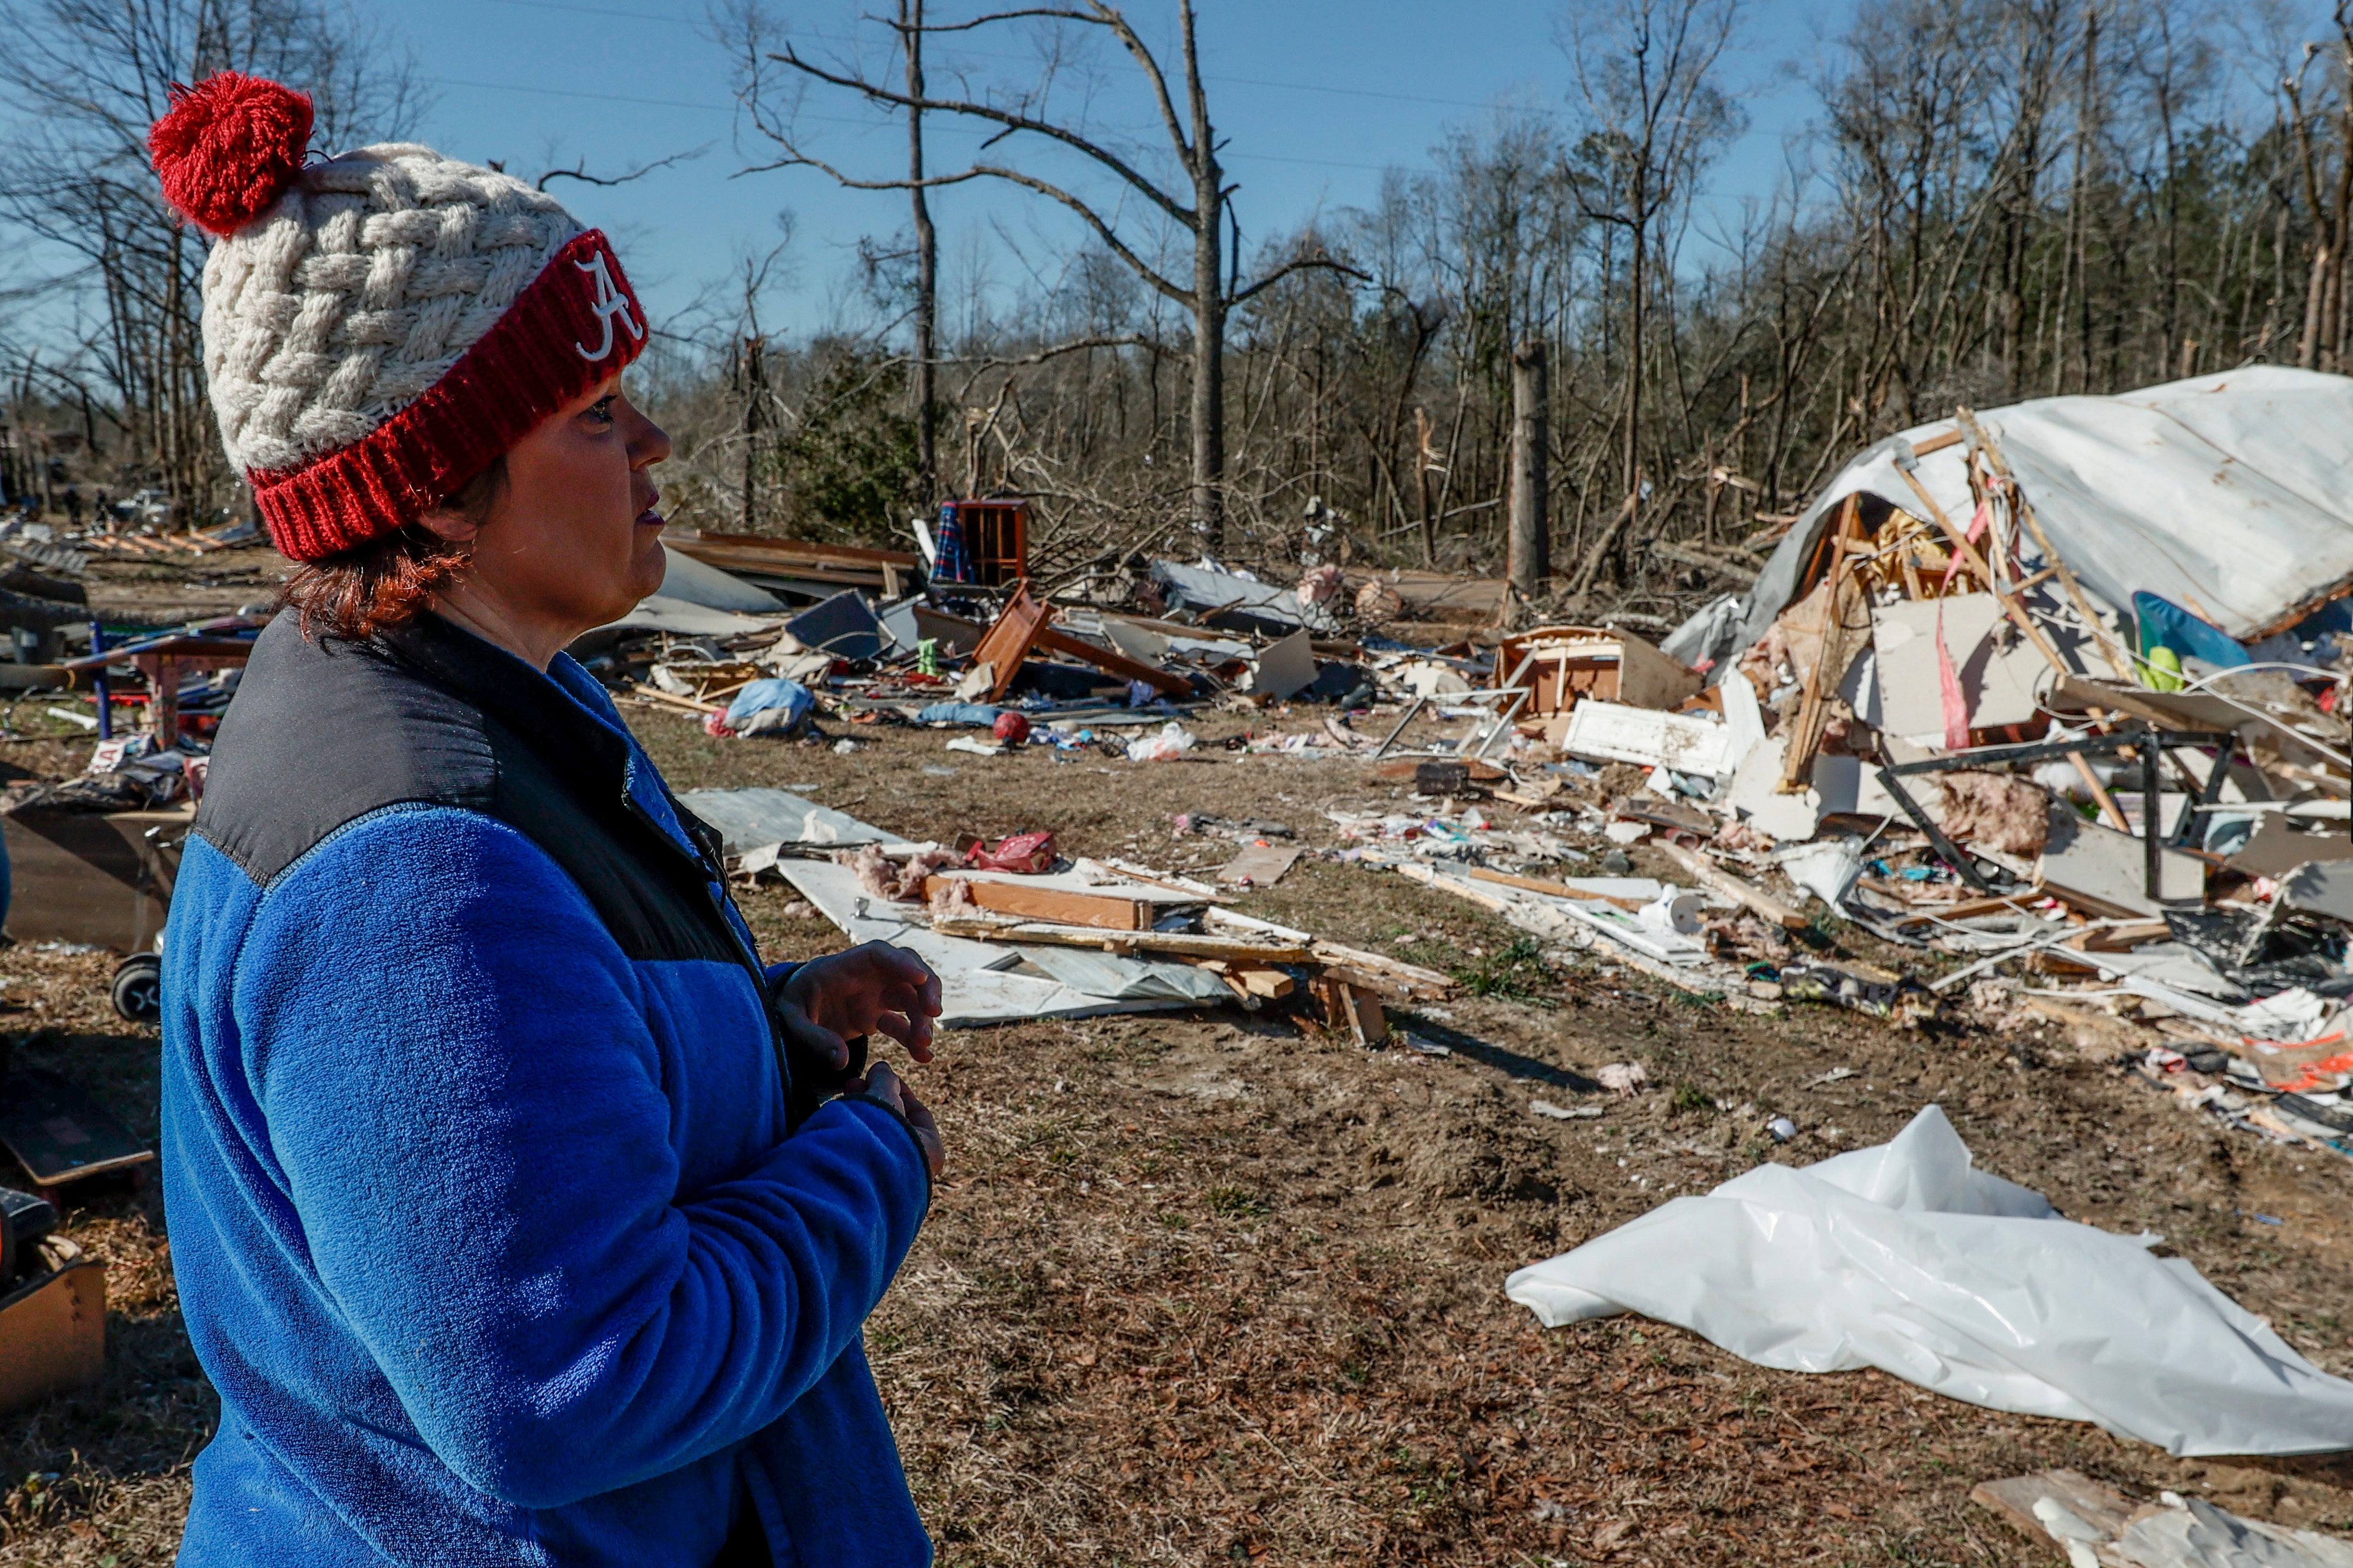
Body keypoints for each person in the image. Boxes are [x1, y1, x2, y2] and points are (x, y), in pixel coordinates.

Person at [147, 73, 945, 1567]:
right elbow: (573, 1382)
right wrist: (872, 1158)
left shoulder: (493, 695)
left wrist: (769, 1033)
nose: (654, 440)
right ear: (442, 493)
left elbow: (524, 1064)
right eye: (593, 410)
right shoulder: (410, 870)